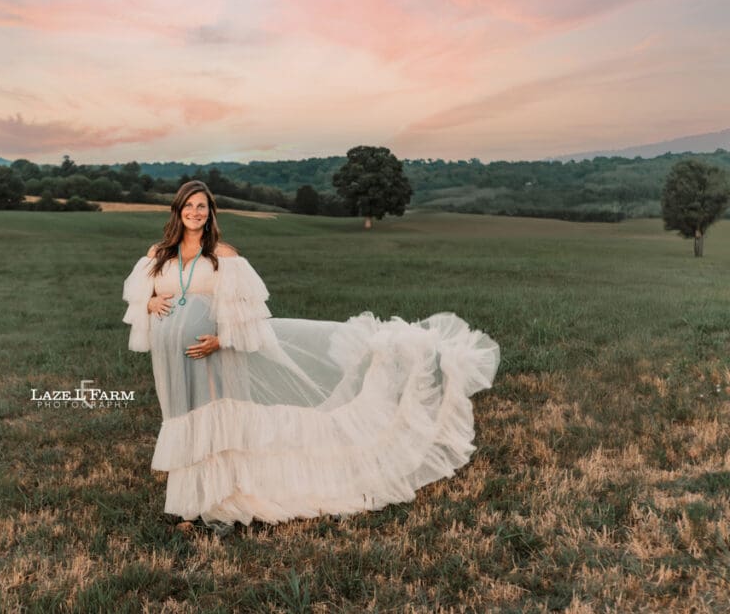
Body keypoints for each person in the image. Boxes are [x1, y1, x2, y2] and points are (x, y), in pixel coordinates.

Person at [121, 181, 500, 536]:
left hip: (212, 356)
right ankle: (191, 500)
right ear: (178, 210)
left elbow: (248, 316)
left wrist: (220, 340)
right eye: (189, 205)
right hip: (171, 360)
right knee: (183, 421)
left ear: (211, 212)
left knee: (214, 425)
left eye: (202, 206)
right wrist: (150, 300)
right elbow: (139, 299)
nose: (196, 212)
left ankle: (212, 505)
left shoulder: (224, 256)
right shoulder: (158, 255)